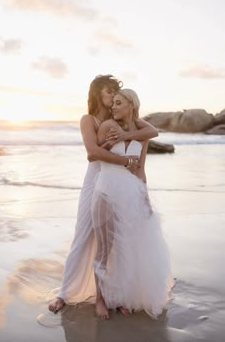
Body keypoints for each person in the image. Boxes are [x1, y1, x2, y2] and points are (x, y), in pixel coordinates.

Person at [48, 75, 158, 314]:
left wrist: (129, 143)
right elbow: (92, 152)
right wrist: (125, 160)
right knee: (83, 234)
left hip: (120, 182)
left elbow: (150, 132)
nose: (112, 97)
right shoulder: (89, 119)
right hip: (94, 180)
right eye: (109, 92)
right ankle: (64, 293)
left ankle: (113, 294)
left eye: (115, 94)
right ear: (98, 93)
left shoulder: (117, 119)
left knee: (115, 240)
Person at [91, 88, 174, 319]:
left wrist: (145, 197)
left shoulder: (142, 132)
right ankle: (100, 299)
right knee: (104, 249)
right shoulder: (107, 126)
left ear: (131, 105)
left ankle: (118, 298)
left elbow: (140, 169)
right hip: (106, 191)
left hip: (130, 194)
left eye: (118, 103)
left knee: (124, 248)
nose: (113, 107)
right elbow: (95, 154)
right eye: (113, 103)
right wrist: (110, 146)